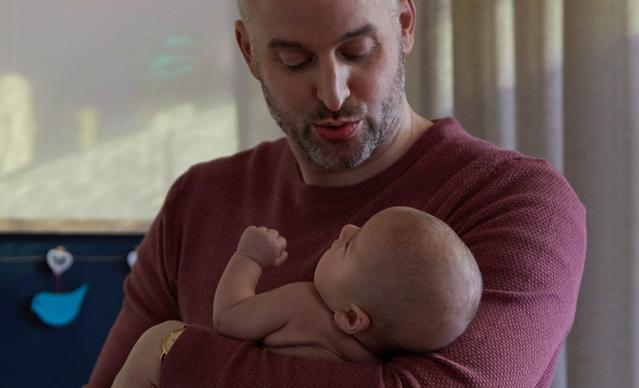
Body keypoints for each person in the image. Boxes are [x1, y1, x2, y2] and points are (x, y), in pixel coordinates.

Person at [88, 0, 586, 386]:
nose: (333, 94)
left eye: (356, 53)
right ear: (249, 54)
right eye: (294, 60)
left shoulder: (517, 201)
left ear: (406, 24)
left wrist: (170, 354)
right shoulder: (198, 200)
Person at [213, 207, 482, 363]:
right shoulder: (378, 365)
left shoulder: (299, 305)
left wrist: (249, 257)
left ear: (351, 317)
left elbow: (227, 317)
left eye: (351, 245)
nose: (347, 228)